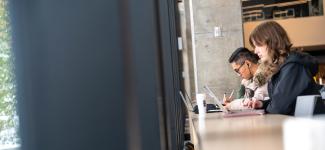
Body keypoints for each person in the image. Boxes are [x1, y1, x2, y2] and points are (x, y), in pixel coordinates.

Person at [246, 21, 322, 115]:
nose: (255, 51)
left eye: (258, 45)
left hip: (309, 126)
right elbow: (278, 102)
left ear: (272, 42)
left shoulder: (293, 66)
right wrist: (261, 104)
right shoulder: (282, 66)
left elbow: (279, 108)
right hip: (297, 123)